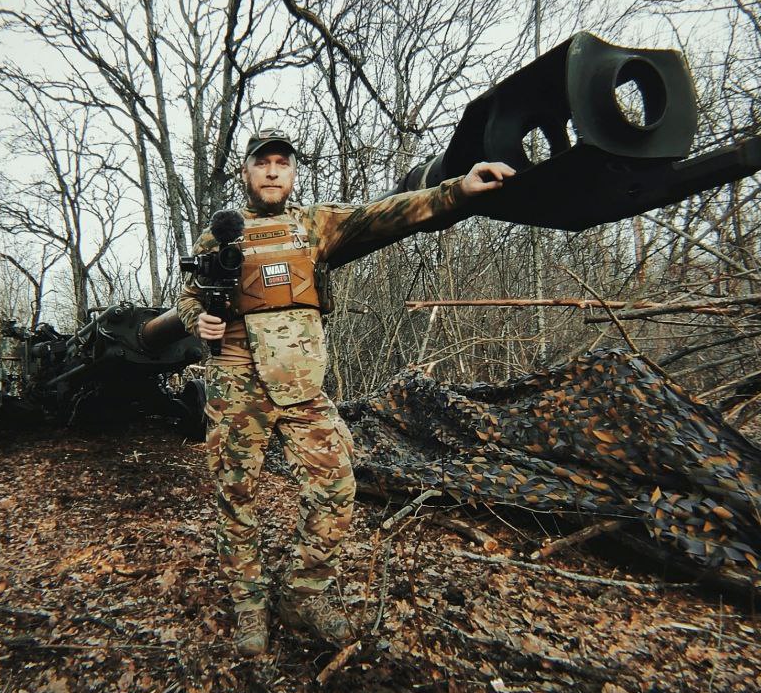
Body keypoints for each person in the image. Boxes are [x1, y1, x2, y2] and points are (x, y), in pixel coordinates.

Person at [177, 130, 514, 656]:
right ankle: (249, 604)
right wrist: (196, 320)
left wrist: (458, 191)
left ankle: (304, 592)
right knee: (235, 496)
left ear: (292, 174)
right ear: (246, 172)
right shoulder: (220, 235)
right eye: (261, 163)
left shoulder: (315, 225)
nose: (271, 172)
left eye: (281, 164)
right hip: (237, 384)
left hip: (302, 387)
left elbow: (389, 213)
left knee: (336, 488)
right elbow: (186, 298)